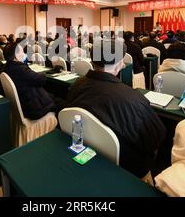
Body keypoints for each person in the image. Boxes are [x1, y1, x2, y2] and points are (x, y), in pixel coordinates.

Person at [64, 39, 166, 178]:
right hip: (125, 166)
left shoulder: (77, 84)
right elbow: (156, 137)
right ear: (119, 64)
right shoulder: (132, 99)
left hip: (88, 147)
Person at [3, 42, 57, 120]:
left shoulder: (7, 67)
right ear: (15, 56)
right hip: (34, 108)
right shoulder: (20, 69)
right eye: (22, 51)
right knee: (60, 101)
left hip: (23, 103)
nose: (24, 53)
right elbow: (41, 80)